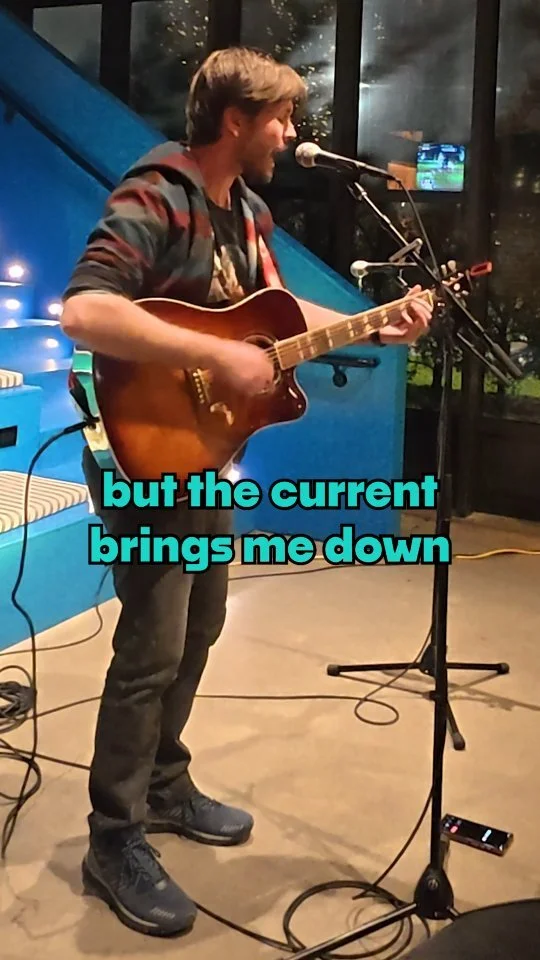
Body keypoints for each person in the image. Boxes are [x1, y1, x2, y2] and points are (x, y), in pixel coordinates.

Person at [61, 46, 433, 939]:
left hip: (202, 453)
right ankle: (112, 836)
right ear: (235, 121)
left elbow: (279, 316)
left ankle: (164, 784)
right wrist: (215, 356)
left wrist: (377, 326)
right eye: (281, 118)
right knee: (152, 645)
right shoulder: (158, 190)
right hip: (144, 454)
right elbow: (85, 311)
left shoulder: (249, 212)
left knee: (201, 625)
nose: (290, 134)